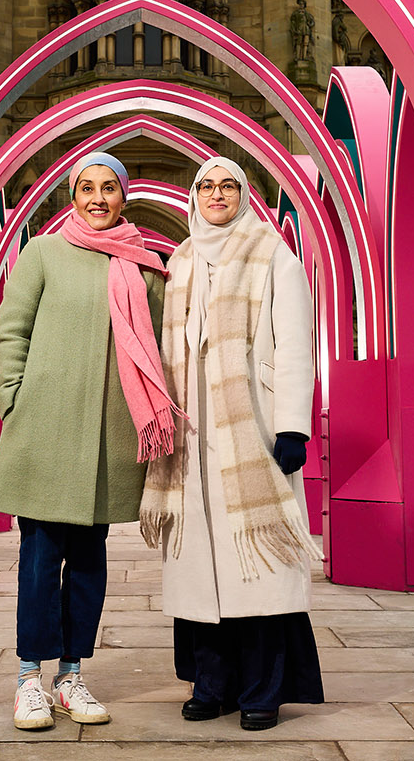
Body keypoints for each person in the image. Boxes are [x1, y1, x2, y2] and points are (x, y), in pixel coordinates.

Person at [0, 152, 174, 731]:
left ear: (125, 195)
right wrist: (13, 400)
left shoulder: (147, 269)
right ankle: (28, 678)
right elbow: (11, 330)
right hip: (45, 431)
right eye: (87, 188)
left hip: (108, 440)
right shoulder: (42, 253)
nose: (98, 199)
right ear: (73, 195)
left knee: (90, 564)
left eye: (109, 189)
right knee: (40, 562)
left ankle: (70, 674)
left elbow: (162, 350)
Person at [142, 156, 324, 732]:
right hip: (193, 440)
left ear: (245, 195)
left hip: (251, 433)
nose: (216, 194)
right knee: (202, 573)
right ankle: (211, 683)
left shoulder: (275, 256)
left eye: (227, 185)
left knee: (257, 569)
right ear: (194, 197)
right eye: (206, 186)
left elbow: (295, 345)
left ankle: (262, 691)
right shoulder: (183, 259)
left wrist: (293, 427)